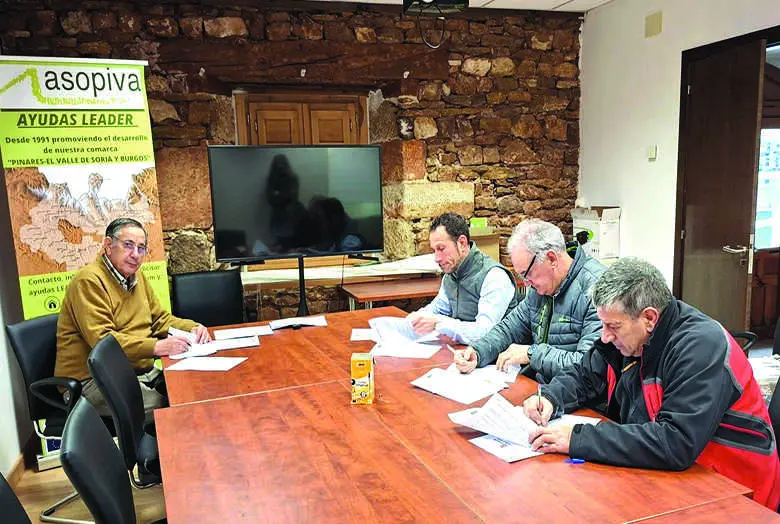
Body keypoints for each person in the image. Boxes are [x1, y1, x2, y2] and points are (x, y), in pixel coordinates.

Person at [523, 258, 780, 510]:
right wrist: (550, 397)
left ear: (649, 317)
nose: (604, 335)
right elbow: (584, 374)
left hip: (736, 492)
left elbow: (676, 441)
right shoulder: (628, 339)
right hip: (674, 476)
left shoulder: (700, 346)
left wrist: (577, 439)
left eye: (613, 326)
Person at [55, 218, 211, 419]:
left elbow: (160, 319)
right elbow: (104, 343)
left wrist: (193, 327)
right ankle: (150, 451)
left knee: (191, 389)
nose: (135, 255)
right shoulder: (88, 282)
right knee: (170, 408)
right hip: (92, 380)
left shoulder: (136, 277)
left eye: (141, 248)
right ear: (108, 246)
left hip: (134, 371)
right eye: (128, 245)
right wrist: (157, 347)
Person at [454, 219, 605, 384]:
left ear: (552, 259)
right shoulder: (539, 289)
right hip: (543, 390)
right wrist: (477, 352)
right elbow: (509, 329)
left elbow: (590, 366)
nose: (526, 283)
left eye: (527, 274)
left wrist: (531, 354)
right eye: (521, 276)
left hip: (580, 401)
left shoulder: (597, 289)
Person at [407, 212, 520, 345]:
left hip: (498, 359)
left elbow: (484, 332)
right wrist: (413, 320)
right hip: (464, 353)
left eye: (441, 249)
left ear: (461, 243)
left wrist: (438, 323)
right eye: (434, 250)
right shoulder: (451, 273)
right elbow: (437, 308)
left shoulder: (495, 276)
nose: (436, 258)